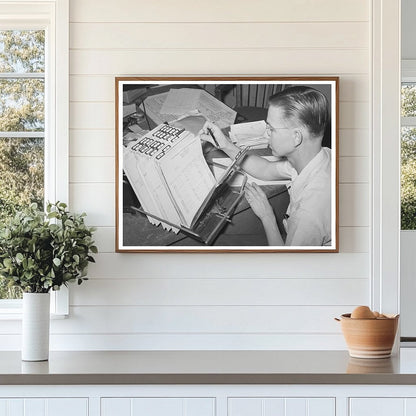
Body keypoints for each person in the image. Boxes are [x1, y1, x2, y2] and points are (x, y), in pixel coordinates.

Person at [201, 85, 332, 246]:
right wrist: (226, 145)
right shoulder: (320, 156)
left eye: (271, 129)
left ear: (296, 137)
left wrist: (267, 216)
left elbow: (287, 267)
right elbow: (266, 169)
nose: (266, 134)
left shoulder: (309, 213)